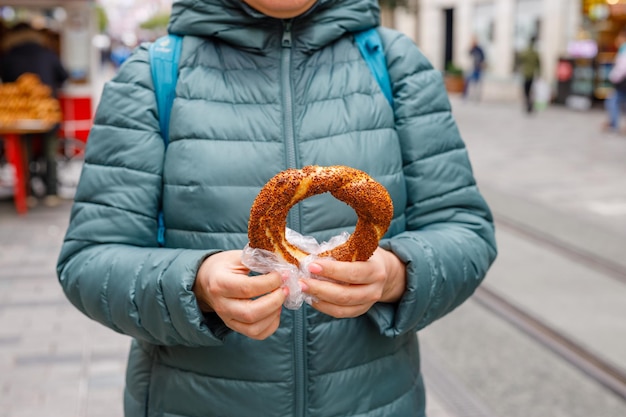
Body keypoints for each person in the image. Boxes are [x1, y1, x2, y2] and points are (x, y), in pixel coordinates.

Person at [56, 0, 497, 416]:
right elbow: (89, 260)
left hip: (376, 401)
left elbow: (464, 229)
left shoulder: (397, 65)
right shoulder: (152, 75)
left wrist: (397, 274)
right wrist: (197, 286)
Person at [0, 22, 68, 205]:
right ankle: (51, 192)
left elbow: (5, 80)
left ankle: (27, 192)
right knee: (50, 152)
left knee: (25, 153)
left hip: (20, 114)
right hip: (48, 110)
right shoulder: (47, 53)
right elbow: (63, 75)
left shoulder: (8, 55)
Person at [604, 29, 626, 134]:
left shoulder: (624, 49)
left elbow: (622, 68)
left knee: (612, 101)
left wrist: (612, 76)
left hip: (623, 82)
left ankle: (614, 125)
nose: (617, 39)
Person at [517, 36, 541, 114]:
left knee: (526, 91)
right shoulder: (534, 52)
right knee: (531, 91)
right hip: (532, 74)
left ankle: (528, 105)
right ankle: (530, 105)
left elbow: (520, 59)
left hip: (526, 73)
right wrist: (539, 73)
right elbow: (539, 64)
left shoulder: (526, 51)